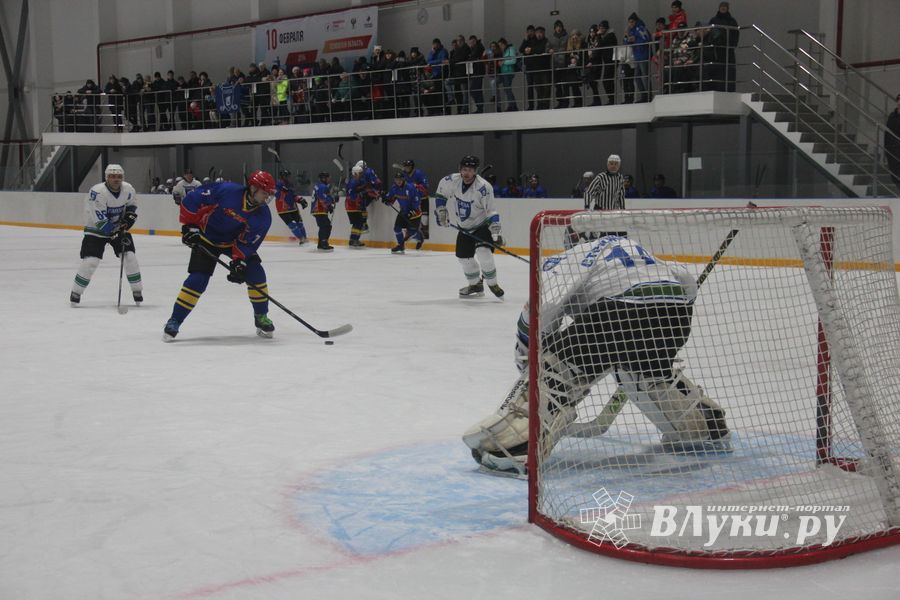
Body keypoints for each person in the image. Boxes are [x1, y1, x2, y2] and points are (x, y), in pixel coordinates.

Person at [462, 234, 731, 475]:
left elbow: (545, 308)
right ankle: (703, 429)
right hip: (675, 314)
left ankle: (516, 450)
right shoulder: (632, 246)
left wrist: (531, 365)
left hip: (617, 313)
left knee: (556, 373)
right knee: (647, 374)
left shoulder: (568, 257)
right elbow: (685, 280)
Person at [162, 170, 276, 341]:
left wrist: (239, 262)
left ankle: (261, 317)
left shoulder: (263, 216)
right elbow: (193, 199)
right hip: (207, 238)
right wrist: (190, 226)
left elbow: (247, 242)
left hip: (232, 243)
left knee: (256, 273)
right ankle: (175, 320)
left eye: (269, 194)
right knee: (197, 279)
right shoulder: (226, 191)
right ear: (252, 188)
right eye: (264, 193)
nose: (267, 197)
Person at [70, 164, 143, 307]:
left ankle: (137, 290)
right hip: (95, 230)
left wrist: (127, 221)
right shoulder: (97, 192)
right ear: (106, 177)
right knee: (91, 261)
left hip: (118, 228)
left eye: (119, 177)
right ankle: (76, 291)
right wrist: (114, 230)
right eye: (112, 176)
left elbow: (132, 206)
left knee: (130, 257)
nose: (116, 179)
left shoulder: (128, 189)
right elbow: (100, 220)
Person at [434, 155, 504, 298]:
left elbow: (491, 210)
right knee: (464, 258)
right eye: (464, 169)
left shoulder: (484, 187)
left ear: (476, 171)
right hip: (463, 227)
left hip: (481, 225)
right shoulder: (451, 181)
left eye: (470, 170)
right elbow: (441, 195)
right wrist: (441, 210)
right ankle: (475, 284)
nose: (467, 173)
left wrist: (495, 228)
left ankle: (493, 283)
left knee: (484, 253)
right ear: (460, 169)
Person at [383, 171, 424, 254]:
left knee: (411, 232)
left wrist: (412, 211)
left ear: (403, 179)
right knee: (397, 228)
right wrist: (386, 200)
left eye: (400, 179)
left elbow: (417, 201)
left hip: (414, 212)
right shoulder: (394, 188)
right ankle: (401, 246)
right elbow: (389, 197)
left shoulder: (410, 187)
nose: (398, 181)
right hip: (404, 211)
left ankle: (420, 238)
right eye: (396, 179)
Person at [274, 169, 309, 245]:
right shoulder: (278, 184)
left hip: (293, 207)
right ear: (282, 176)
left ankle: (305, 238)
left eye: (288, 176)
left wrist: (300, 200)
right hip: (283, 209)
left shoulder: (290, 184)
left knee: (300, 223)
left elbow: (294, 195)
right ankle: (301, 238)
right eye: (285, 176)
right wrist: (283, 191)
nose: (287, 177)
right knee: (292, 224)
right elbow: (278, 196)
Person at [401, 159, 430, 238]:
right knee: (409, 216)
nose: (406, 168)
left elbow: (425, 186)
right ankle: (410, 232)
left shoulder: (419, 173)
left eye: (408, 167)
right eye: (405, 167)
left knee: (424, 216)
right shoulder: (404, 175)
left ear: (412, 167)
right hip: (411, 199)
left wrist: (416, 186)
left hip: (422, 198)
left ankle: (424, 230)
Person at [311, 171, 337, 251]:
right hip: (319, 209)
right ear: (324, 178)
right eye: (328, 178)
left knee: (324, 226)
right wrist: (329, 206)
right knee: (326, 226)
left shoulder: (319, 186)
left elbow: (325, 197)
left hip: (318, 209)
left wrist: (333, 199)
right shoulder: (322, 186)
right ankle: (323, 243)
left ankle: (321, 243)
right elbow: (322, 199)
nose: (329, 179)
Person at [886, 94, 900, 188]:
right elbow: (888, 135)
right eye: (898, 100)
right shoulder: (892, 117)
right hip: (894, 151)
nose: (899, 102)